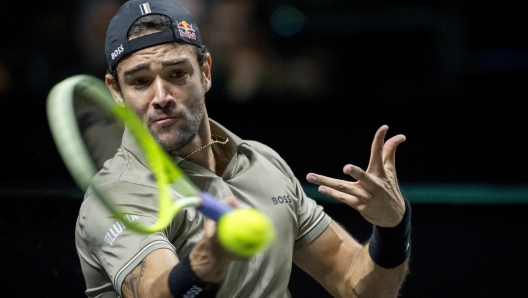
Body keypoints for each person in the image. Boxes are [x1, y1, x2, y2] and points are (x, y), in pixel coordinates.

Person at [74, 0, 411, 297]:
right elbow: (152, 291)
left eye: (177, 73)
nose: (161, 97)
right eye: (140, 81)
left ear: (205, 72)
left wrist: (392, 230)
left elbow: (356, 287)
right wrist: (205, 264)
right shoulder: (116, 195)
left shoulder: (262, 161)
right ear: (115, 91)